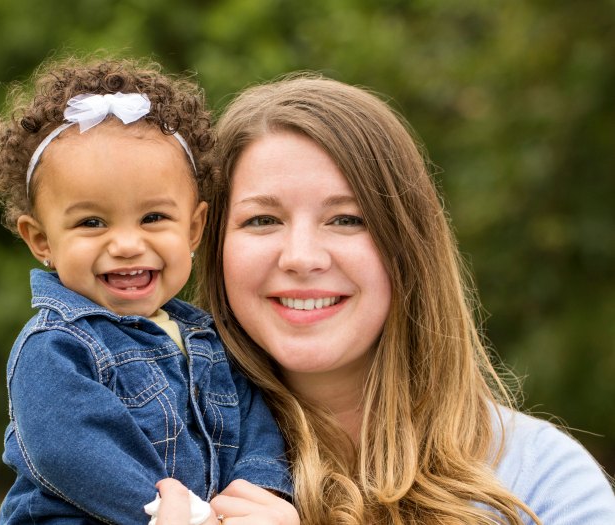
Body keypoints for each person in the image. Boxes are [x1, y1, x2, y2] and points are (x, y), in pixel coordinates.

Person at [155, 74, 615, 524]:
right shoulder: (148, 453)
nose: (301, 257)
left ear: (409, 247)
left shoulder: (538, 480)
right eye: (262, 220)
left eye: (346, 219)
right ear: (211, 244)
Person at [0, 56, 291, 525]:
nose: (127, 244)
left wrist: (260, 493)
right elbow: (72, 451)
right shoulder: (55, 347)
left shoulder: (211, 339)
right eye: (92, 222)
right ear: (41, 239)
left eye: (153, 218)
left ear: (194, 229)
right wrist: (186, 514)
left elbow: (255, 426)